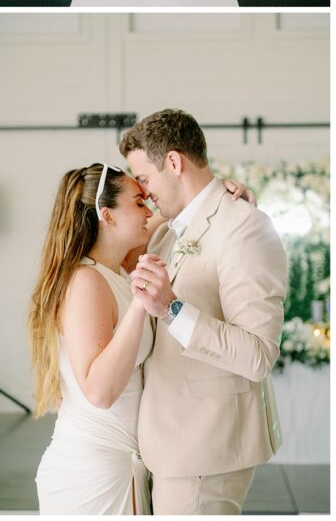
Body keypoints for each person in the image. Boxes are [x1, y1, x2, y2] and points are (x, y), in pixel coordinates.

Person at [28, 162, 256, 514]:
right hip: (94, 472)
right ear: (108, 216)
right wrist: (140, 304)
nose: (148, 210)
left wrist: (218, 193)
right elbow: (100, 392)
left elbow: (179, 213)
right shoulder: (87, 282)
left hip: (122, 462)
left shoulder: (116, 270)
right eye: (138, 202)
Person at [122, 109, 286, 514]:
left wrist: (173, 309)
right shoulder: (168, 229)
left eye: (144, 178)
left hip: (204, 448)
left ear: (174, 162)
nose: (143, 192)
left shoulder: (244, 227)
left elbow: (258, 355)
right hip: (169, 442)